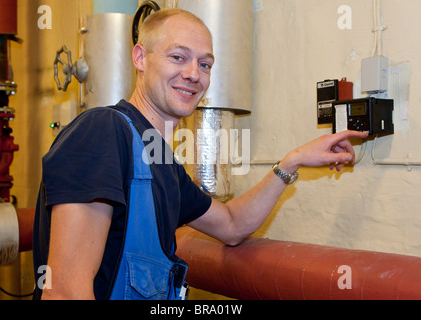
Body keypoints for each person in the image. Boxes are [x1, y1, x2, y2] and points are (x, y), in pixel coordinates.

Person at [32, 8, 368, 300]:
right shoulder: (103, 131)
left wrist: (292, 161)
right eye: (178, 57)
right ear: (140, 58)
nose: (194, 74)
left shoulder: (160, 160)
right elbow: (65, 291)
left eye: (204, 64)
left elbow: (233, 224)